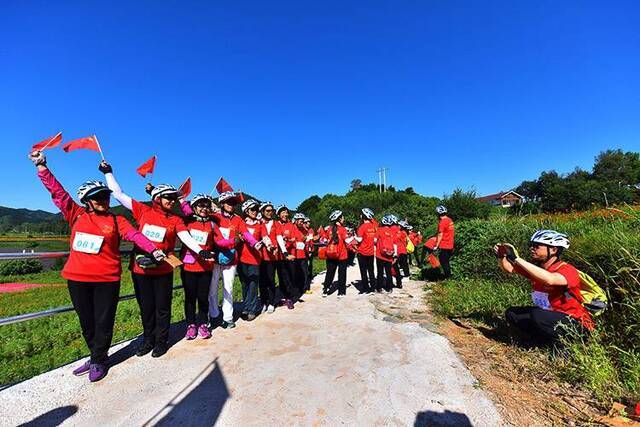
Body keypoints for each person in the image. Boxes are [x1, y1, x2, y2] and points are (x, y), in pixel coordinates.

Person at [29, 151, 165, 382]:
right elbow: (57, 193)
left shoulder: (116, 220)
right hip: (77, 278)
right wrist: (42, 167)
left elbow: (134, 235)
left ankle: (99, 359)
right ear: (87, 201)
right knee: (87, 321)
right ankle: (95, 355)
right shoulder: (76, 215)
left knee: (103, 321)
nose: (104, 200)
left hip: (107, 279)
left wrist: (152, 248)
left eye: (105, 196)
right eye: (98, 197)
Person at [100, 161, 212, 358]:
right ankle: (148, 339)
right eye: (168, 197)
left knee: (162, 307)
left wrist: (200, 250)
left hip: (163, 270)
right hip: (140, 269)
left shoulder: (176, 219)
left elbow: (185, 236)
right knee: (146, 307)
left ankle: (161, 341)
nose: (172, 200)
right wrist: (108, 173)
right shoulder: (142, 210)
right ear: (157, 198)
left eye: (174, 198)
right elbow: (118, 194)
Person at [494, 230, 594, 343]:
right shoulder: (539, 269)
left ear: (553, 250)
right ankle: (541, 340)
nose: (532, 248)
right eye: (531, 246)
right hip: (550, 316)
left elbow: (550, 279)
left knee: (537, 315)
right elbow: (509, 269)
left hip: (576, 323)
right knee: (513, 313)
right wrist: (501, 256)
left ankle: (563, 347)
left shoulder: (567, 269)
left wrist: (517, 258)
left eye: (536, 246)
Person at [208, 191, 259, 329]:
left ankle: (228, 318)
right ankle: (213, 315)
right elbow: (216, 240)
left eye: (234, 203)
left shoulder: (238, 220)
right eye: (229, 202)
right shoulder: (214, 218)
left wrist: (255, 243)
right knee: (212, 289)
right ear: (222, 203)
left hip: (231, 259)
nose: (231, 205)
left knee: (228, 289)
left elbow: (246, 233)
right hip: (215, 259)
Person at [179, 194, 215, 340]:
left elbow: (218, 240)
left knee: (203, 297)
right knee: (190, 297)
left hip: (206, 266)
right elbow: (185, 210)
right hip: (189, 266)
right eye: (200, 205)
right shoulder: (187, 221)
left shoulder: (212, 223)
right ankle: (191, 325)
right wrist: (181, 199)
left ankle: (203, 324)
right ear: (194, 207)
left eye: (207, 206)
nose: (204, 209)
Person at [238, 199, 264, 321]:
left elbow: (265, 238)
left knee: (253, 285)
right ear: (246, 210)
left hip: (255, 259)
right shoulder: (241, 224)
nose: (255, 211)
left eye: (256, 209)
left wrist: (267, 244)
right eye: (253, 209)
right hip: (242, 258)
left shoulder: (260, 225)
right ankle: (246, 307)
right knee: (244, 285)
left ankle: (252, 309)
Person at [258, 201, 283, 313]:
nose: (270, 212)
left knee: (271, 279)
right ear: (262, 211)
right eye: (267, 210)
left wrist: (284, 251)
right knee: (262, 281)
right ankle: (264, 301)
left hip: (272, 256)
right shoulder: (258, 222)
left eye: (271, 210)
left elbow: (279, 238)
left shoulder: (276, 223)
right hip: (260, 256)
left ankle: (272, 302)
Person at [322, 210, 351, 297]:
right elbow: (347, 241)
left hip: (331, 254)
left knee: (330, 272)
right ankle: (341, 292)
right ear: (339, 219)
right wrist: (354, 237)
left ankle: (326, 289)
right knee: (342, 273)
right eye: (342, 217)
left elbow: (325, 240)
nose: (343, 218)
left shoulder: (329, 229)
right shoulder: (343, 229)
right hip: (342, 255)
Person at [275, 205, 298, 307]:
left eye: (286, 212)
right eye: (282, 212)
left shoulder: (290, 225)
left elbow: (294, 239)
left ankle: (290, 298)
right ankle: (283, 297)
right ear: (278, 214)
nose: (285, 214)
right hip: (279, 256)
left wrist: (287, 240)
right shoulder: (276, 224)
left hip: (290, 255)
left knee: (290, 276)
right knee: (281, 277)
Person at [356, 208, 377, 294]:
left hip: (362, 252)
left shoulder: (361, 227)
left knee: (363, 271)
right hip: (371, 252)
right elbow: (375, 240)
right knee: (371, 270)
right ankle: (372, 287)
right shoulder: (373, 227)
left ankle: (365, 288)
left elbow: (359, 240)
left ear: (364, 216)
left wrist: (354, 237)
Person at [375, 215, 397, 293]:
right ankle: (389, 288)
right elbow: (395, 244)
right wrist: (395, 256)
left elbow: (374, 240)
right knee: (388, 272)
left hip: (380, 255)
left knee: (380, 272)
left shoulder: (379, 230)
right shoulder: (393, 232)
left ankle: (379, 288)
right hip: (389, 255)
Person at [291, 213, 309, 299]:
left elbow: (305, 239)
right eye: (301, 221)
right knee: (295, 273)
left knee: (304, 272)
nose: (302, 223)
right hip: (294, 255)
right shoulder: (292, 228)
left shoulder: (304, 230)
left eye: (303, 221)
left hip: (303, 254)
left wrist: (306, 240)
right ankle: (296, 290)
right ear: (296, 221)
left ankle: (303, 288)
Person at [434, 205, 455, 279]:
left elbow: (440, 235)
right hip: (451, 245)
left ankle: (448, 278)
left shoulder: (442, 222)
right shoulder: (450, 220)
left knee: (444, 262)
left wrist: (436, 246)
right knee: (447, 262)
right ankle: (448, 277)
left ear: (438, 214)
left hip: (444, 245)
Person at [388, 215, 404, 288]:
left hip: (393, 249)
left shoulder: (391, 229)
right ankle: (399, 282)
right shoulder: (398, 229)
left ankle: (390, 283)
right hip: (399, 249)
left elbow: (392, 241)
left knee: (389, 266)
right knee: (396, 267)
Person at [303, 217, 316, 294]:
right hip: (305, 250)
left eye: (309, 222)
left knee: (310, 265)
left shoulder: (310, 230)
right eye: (307, 222)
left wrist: (311, 249)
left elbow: (311, 240)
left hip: (310, 249)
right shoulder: (303, 230)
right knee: (306, 266)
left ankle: (309, 277)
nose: (309, 223)